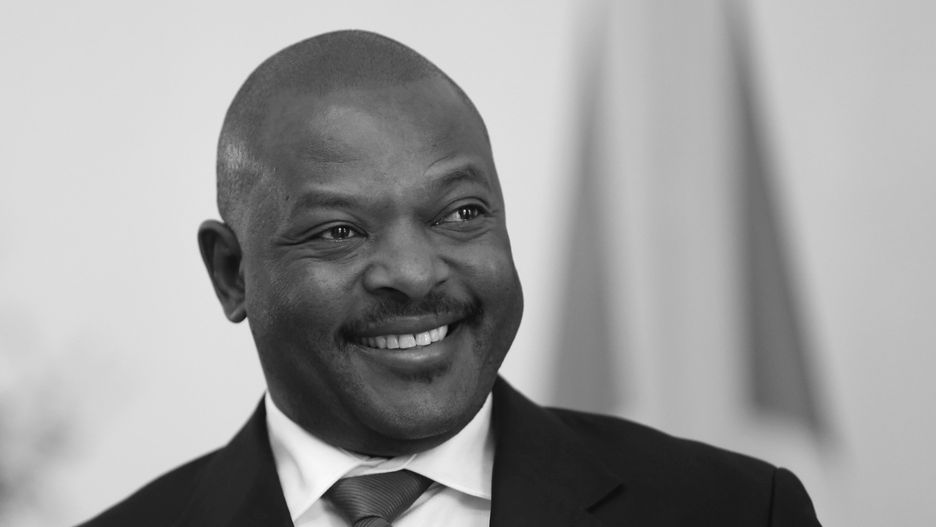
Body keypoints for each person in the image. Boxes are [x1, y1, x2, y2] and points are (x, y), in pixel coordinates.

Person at [78, 30, 821, 526]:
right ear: (232, 274)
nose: (413, 272)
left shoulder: (737, 511)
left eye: (461, 213)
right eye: (340, 231)